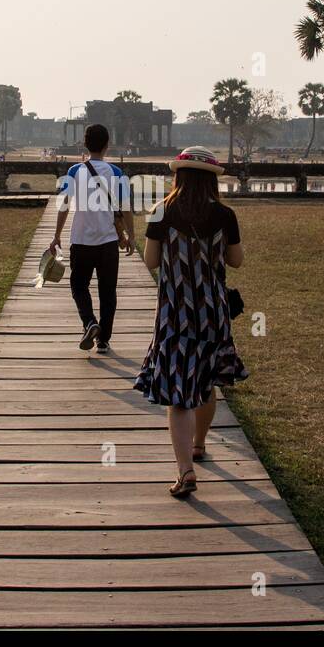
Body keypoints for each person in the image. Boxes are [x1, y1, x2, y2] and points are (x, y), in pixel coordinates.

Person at [134, 146, 248, 499]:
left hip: (174, 313)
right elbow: (237, 261)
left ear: (178, 175)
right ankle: (199, 444)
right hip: (213, 311)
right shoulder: (225, 215)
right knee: (207, 377)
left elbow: (151, 261)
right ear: (212, 180)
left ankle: (185, 469)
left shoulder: (160, 212)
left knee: (177, 393)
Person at [48, 123, 134, 354]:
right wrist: (131, 236)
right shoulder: (116, 173)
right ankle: (103, 340)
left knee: (78, 286)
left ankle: (89, 322)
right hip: (107, 243)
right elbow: (126, 208)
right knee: (108, 292)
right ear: (108, 145)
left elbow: (64, 205)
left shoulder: (74, 172)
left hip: (81, 241)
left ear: (85, 144)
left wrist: (56, 236)